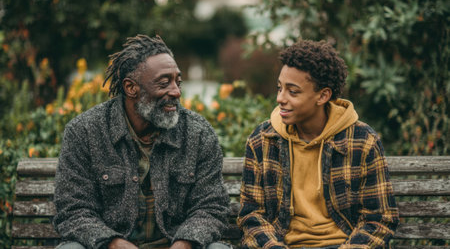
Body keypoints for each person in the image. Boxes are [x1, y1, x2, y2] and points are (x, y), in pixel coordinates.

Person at [53, 35, 230, 249]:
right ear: (131, 88)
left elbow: (211, 207)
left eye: (178, 82)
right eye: (164, 83)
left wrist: (185, 243)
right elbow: (73, 210)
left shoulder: (199, 133)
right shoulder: (85, 132)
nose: (176, 91)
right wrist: (113, 243)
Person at [237, 40, 399, 248]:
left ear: (323, 95)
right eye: (279, 88)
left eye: (292, 92)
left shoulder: (362, 140)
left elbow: (379, 219)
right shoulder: (262, 140)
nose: (280, 98)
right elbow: (252, 215)